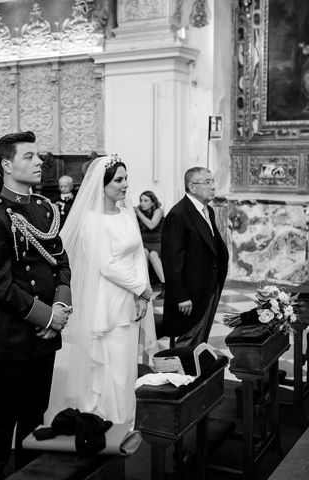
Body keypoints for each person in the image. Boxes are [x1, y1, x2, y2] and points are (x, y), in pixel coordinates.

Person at [0, 131, 72, 479]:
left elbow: (62, 264)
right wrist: (45, 316)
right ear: (6, 165)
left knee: (35, 417)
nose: (39, 161)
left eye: (38, 156)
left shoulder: (44, 209)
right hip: (14, 335)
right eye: (29, 156)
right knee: (2, 422)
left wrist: (59, 312)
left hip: (46, 334)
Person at [46, 156, 156, 427]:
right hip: (107, 299)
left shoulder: (127, 212)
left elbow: (138, 255)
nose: (125, 185)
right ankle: (106, 419)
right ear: (103, 184)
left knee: (126, 363)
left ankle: (126, 418)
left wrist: (141, 294)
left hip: (129, 297)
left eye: (126, 178)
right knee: (109, 364)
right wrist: (140, 288)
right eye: (119, 180)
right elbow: (106, 265)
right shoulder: (91, 220)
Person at [161, 167, 228, 348]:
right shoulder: (178, 215)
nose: (213, 186)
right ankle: (181, 375)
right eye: (207, 182)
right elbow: (172, 260)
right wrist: (181, 296)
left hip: (209, 285)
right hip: (191, 291)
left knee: (201, 338)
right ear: (192, 186)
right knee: (188, 338)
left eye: (212, 181)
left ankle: (195, 373)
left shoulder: (208, 211)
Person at [135, 190, 166, 296]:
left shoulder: (158, 211)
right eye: (141, 200)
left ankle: (165, 286)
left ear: (153, 202)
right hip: (144, 243)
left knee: (153, 255)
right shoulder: (139, 211)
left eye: (146, 200)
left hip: (157, 243)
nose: (142, 203)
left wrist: (138, 213)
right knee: (143, 252)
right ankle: (145, 285)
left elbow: (151, 225)